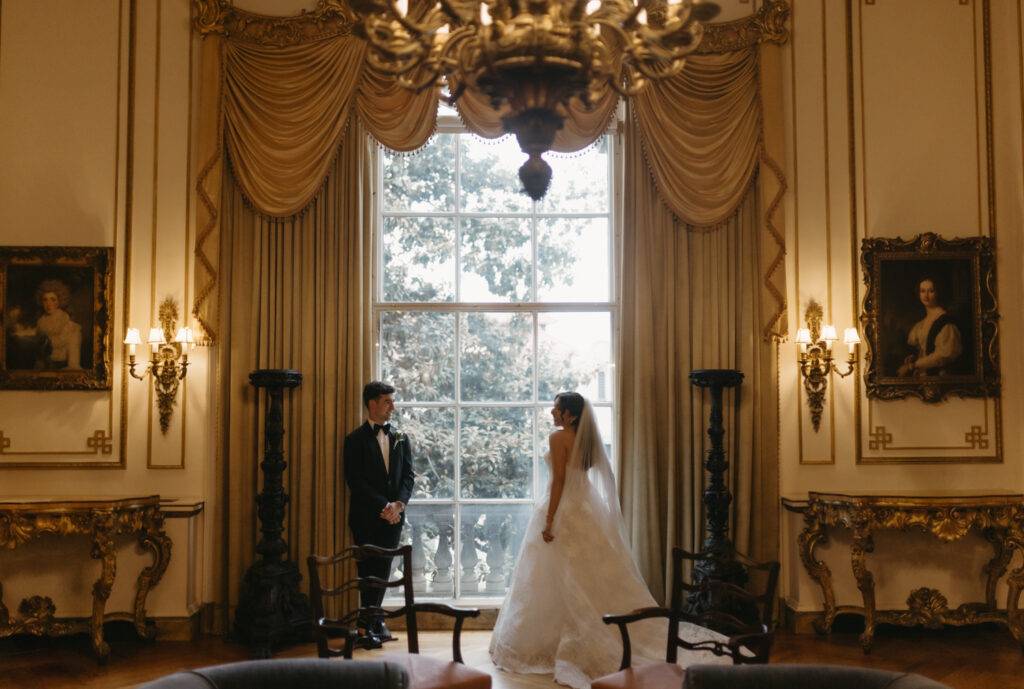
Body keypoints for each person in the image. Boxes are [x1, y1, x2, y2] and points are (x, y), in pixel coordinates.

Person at [489, 392, 729, 688]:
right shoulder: (586, 441)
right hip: (585, 509)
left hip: (563, 509)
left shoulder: (558, 437)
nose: (552, 411)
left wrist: (550, 519)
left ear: (571, 416)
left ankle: (558, 643)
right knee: (585, 577)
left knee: (556, 577)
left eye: (557, 408)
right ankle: (599, 631)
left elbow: (560, 481)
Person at [343, 381, 415, 650]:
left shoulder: (400, 437)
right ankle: (369, 625)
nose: (393, 407)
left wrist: (398, 505)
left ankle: (369, 624)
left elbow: (408, 476)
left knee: (383, 572)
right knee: (367, 573)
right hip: (366, 517)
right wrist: (383, 506)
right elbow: (356, 481)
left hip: (393, 517)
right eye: (387, 402)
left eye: (393, 401)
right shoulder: (354, 440)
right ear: (372, 403)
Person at [897, 276, 962, 377]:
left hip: (940, 377)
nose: (926, 295)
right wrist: (913, 357)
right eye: (923, 291)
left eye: (931, 291)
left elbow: (944, 355)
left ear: (938, 293)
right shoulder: (921, 324)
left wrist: (913, 366)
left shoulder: (945, 322)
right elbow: (921, 348)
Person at [34, 279, 82, 370]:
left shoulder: (72, 328)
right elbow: (39, 361)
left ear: (60, 301)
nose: (48, 304)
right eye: (45, 300)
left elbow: (73, 365)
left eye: (53, 300)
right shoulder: (40, 326)